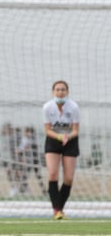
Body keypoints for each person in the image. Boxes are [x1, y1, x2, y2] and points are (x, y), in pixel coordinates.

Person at [43, 80, 80, 220]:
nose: (60, 92)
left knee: (68, 178)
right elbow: (47, 130)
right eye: (57, 89)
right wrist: (59, 136)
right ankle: (56, 210)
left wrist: (67, 136)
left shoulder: (74, 107)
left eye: (63, 89)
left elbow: (76, 130)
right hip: (53, 139)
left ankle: (60, 208)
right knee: (52, 173)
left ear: (67, 92)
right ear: (53, 92)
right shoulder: (47, 107)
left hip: (70, 140)